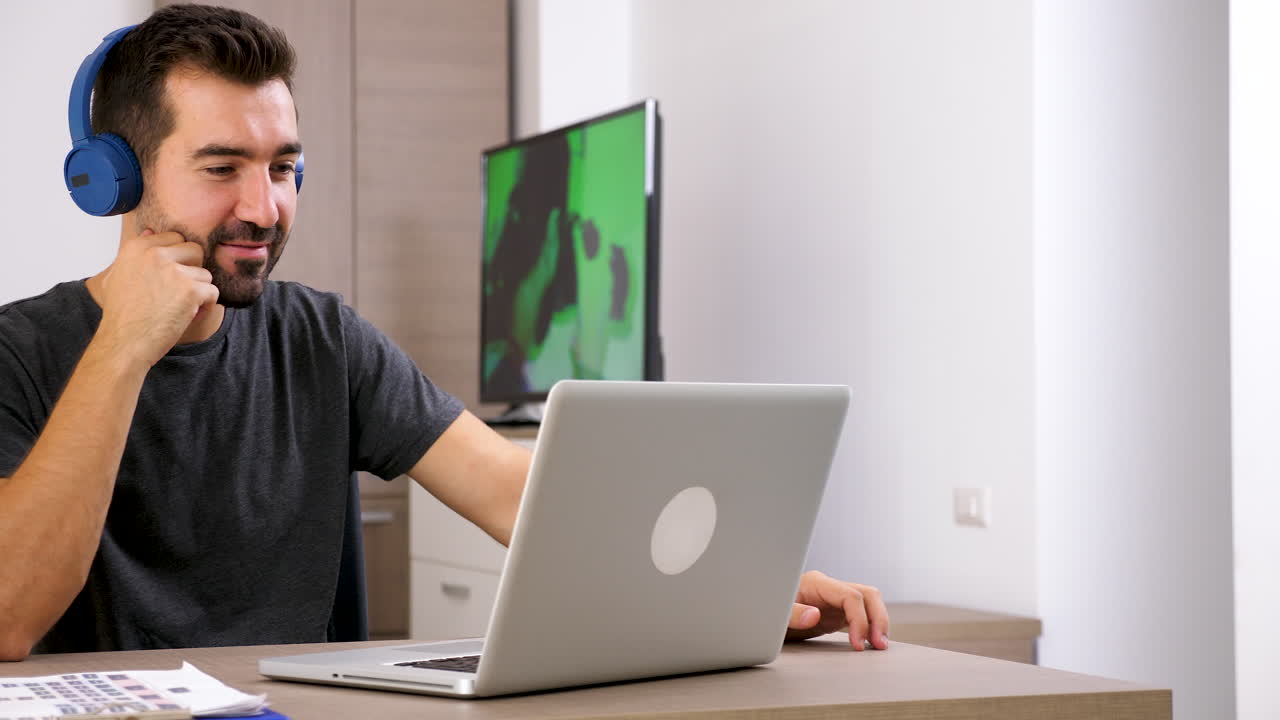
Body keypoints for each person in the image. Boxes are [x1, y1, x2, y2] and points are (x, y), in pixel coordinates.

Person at [0, 4, 889, 661]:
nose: (264, 208)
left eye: (283, 167)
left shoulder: (322, 339)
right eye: (221, 168)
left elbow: (511, 489)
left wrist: (742, 582)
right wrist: (124, 345)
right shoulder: (20, 354)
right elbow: (9, 616)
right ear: (109, 179)